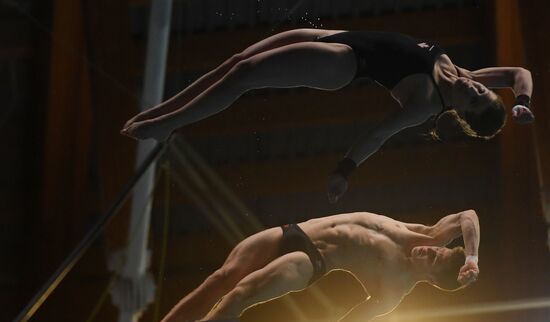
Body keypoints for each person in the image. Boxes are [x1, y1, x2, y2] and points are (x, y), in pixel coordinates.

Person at [120, 29, 534, 202]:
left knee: (245, 75)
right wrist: (522, 102)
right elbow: (520, 73)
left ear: (463, 114)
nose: (479, 90)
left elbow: (376, 136)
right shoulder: (465, 73)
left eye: (477, 101)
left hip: (342, 63)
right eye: (486, 93)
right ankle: (161, 112)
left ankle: (169, 125)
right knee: (238, 59)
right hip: (336, 34)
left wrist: (344, 170)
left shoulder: (427, 103)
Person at [158, 209, 481, 322]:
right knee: (220, 280)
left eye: (432, 260)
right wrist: (472, 258)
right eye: (438, 250)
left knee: (240, 294)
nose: (428, 250)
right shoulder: (430, 232)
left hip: (311, 261)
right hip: (295, 231)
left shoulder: (392, 291)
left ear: (431, 279)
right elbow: (469, 216)